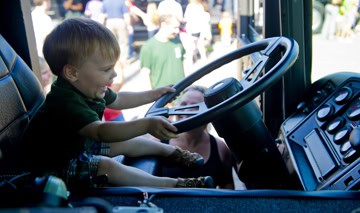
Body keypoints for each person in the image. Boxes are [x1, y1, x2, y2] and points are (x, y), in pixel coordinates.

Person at [21, 18, 215, 189]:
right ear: (72, 73)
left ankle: (172, 152)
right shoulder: (65, 101)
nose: (114, 74)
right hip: (49, 168)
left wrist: (154, 94)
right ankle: (172, 185)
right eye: (106, 69)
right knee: (107, 166)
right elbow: (101, 132)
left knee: (124, 142)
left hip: (74, 147)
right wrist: (146, 124)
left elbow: (120, 99)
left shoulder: (87, 86)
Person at [161, 85, 235, 189]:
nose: (186, 111)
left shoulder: (220, 149)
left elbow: (227, 187)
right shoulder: (157, 141)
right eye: (183, 104)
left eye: (195, 107)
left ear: (208, 113)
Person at [140, 14, 186, 90]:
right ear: (164, 25)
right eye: (175, 27)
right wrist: (151, 96)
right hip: (163, 95)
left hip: (181, 91)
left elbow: (184, 63)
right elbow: (145, 74)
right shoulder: (148, 46)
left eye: (178, 27)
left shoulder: (177, 41)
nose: (177, 31)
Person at [102, 0, 131, 65]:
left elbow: (102, 15)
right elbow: (126, 15)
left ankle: (112, 60)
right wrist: (129, 25)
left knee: (110, 42)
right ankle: (123, 60)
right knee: (123, 42)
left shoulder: (105, 2)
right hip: (120, 21)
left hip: (109, 22)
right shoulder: (122, 2)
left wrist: (100, 26)